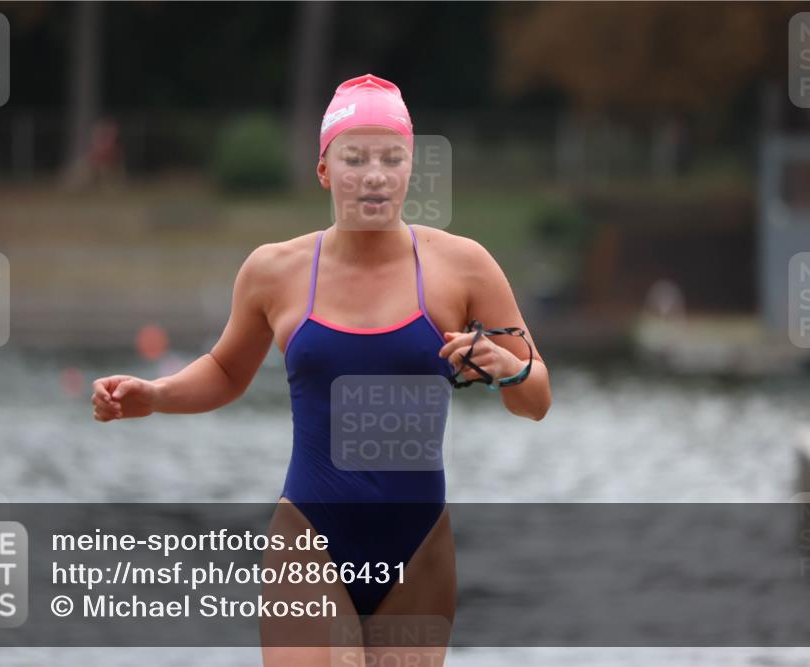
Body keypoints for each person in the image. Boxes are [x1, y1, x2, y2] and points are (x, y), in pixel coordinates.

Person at [92, 73, 552, 666]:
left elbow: (536, 398)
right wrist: (154, 394)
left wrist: (506, 370)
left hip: (419, 550)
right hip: (309, 541)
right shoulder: (274, 270)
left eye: (393, 157)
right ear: (324, 170)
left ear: (411, 168)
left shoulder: (462, 266)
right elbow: (226, 372)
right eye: (355, 158)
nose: (376, 174)